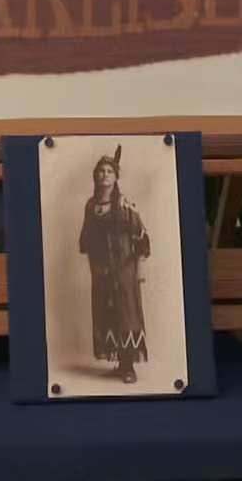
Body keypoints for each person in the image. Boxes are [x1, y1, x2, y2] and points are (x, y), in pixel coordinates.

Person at [79, 146, 152, 383]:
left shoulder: (124, 204)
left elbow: (142, 238)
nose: (105, 175)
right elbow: (87, 241)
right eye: (101, 171)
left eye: (109, 171)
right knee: (106, 313)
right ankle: (121, 363)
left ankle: (129, 367)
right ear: (95, 176)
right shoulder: (91, 206)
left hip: (124, 270)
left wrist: (139, 270)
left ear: (116, 176)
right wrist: (95, 268)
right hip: (101, 273)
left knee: (127, 313)